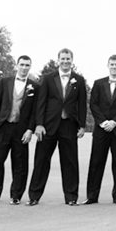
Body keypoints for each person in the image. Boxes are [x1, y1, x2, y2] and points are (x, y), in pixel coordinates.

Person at [27, 48, 87, 205]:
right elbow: (41, 102)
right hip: (48, 126)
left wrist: (82, 125)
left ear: (72, 60)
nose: (65, 61)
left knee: (70, 162)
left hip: (69, 125)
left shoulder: (79, 80)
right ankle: (34, 196)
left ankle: (71, 197)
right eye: (63, 59)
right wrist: (39, 124)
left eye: (68, 59)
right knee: (41, 161)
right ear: (58, 60)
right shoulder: (48, 78)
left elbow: (82, 104)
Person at [0, 55, 38, 204]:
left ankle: (16, 196)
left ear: (30, 67)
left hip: (21, 130)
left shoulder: (35, 86)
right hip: (4, 127)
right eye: (22, 64)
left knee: (20, 164)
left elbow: (34, 112)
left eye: (27, 65)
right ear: (17, 65)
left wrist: (30, 130)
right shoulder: (5, 82)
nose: (24, 68)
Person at [83, 55, 116, 205]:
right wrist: (103, 122)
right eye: (112, 64)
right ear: (108, 65)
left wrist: (115, 122)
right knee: (96, 162)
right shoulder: (98, 83)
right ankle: (92, 196)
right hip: (101, 130)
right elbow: (93, 104)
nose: (114, 67)